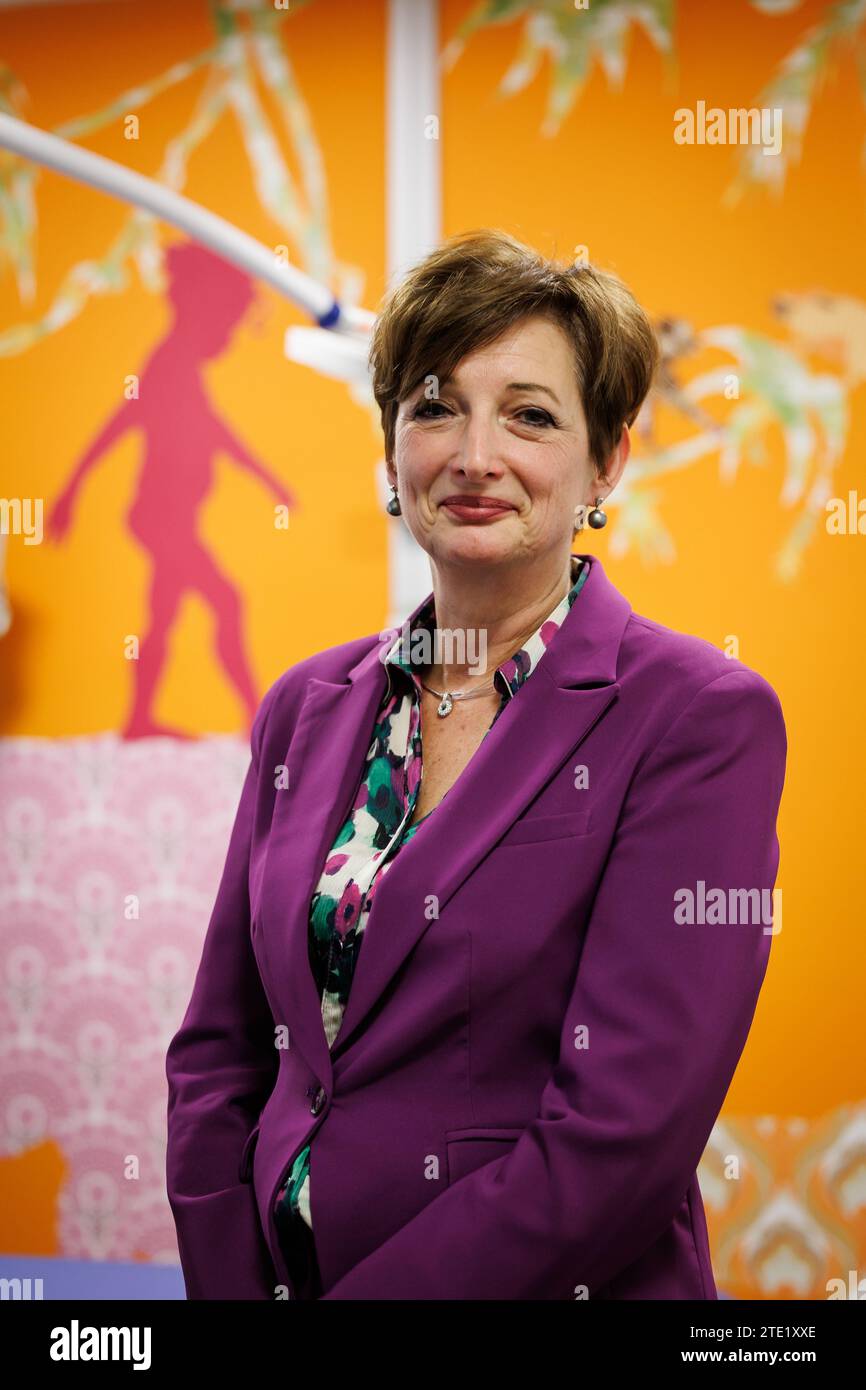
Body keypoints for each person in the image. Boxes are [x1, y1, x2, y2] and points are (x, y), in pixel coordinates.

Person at [165, 229, 787, 1300]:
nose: (472, 455)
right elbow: (219, 1055)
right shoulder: (303, 709)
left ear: (605, 463)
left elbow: (620, 1137)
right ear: (391, 449)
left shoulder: (697, 720)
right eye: (433, 405)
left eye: (531, 416)